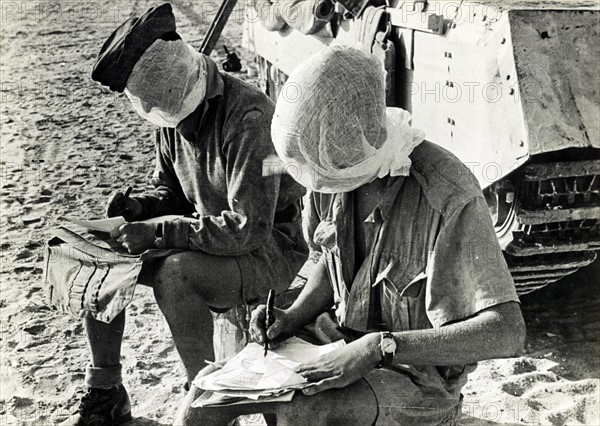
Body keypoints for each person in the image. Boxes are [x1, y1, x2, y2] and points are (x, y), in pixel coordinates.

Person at [176, 46, 526, 425]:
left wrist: (380, 347)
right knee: (206, 392)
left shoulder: (448, 195)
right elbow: (335, 265)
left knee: (307, 410)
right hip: (331, 343)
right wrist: (292, 317)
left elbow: (506, 331)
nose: (318, 185)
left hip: (413, 375)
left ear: (346, 139)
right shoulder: (334, 167)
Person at [63, 3, 308, 425]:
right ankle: (106, 388)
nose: (181, 130)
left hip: (270, 247)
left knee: (174, 274)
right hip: (216, 232)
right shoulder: (171, 109)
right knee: (95, 256)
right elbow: (172, 192)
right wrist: (140, 208)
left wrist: (158, 235)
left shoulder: (248, 118)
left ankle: (209, 397)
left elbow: (248, 229)